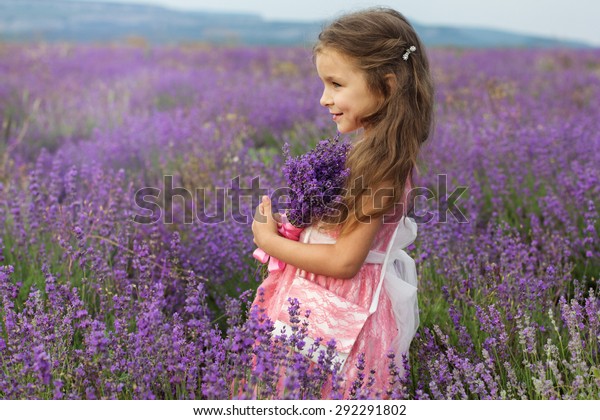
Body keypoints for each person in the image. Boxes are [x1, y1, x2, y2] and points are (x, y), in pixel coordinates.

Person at [251, 7, 434, 394]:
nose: (323, 99)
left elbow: (345, 261)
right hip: (319, 302)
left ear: (386, 85)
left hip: (342, 311)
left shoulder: (383, 166)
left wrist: (271, 242)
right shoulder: (370, 153)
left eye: (335, 84)